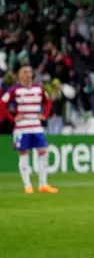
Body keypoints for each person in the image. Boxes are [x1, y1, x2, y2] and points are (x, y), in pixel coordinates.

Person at [1, 64, 57, 194]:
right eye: (25, 72)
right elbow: (2, 104)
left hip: (36, 126)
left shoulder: (39, 89)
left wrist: (45, 115)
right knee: (24, 153)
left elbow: (47, 101)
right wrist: (12, 118)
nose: (28, 75)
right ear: (19, 75)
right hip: (22, 128)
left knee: (43, 151)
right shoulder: (14, 90)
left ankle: (43, 184)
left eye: (30, 72)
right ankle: (27, 185)